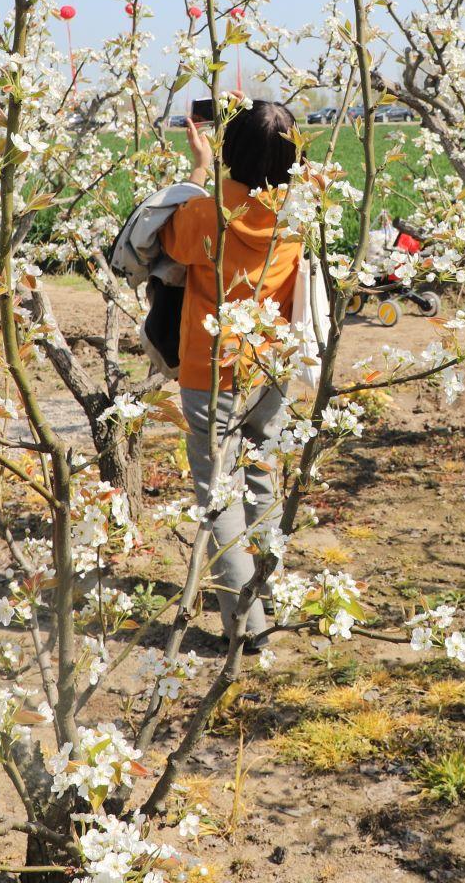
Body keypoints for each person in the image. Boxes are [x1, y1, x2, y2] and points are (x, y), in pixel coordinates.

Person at [159, 100, 303, 644]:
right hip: (271, 368)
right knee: (263, 479)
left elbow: (167, 238)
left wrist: (198, 168)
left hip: (211, 371)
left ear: (229, 151)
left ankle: (247, 626)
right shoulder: (302, 210)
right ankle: (270, 596)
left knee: (218, 496)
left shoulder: (209, 210)